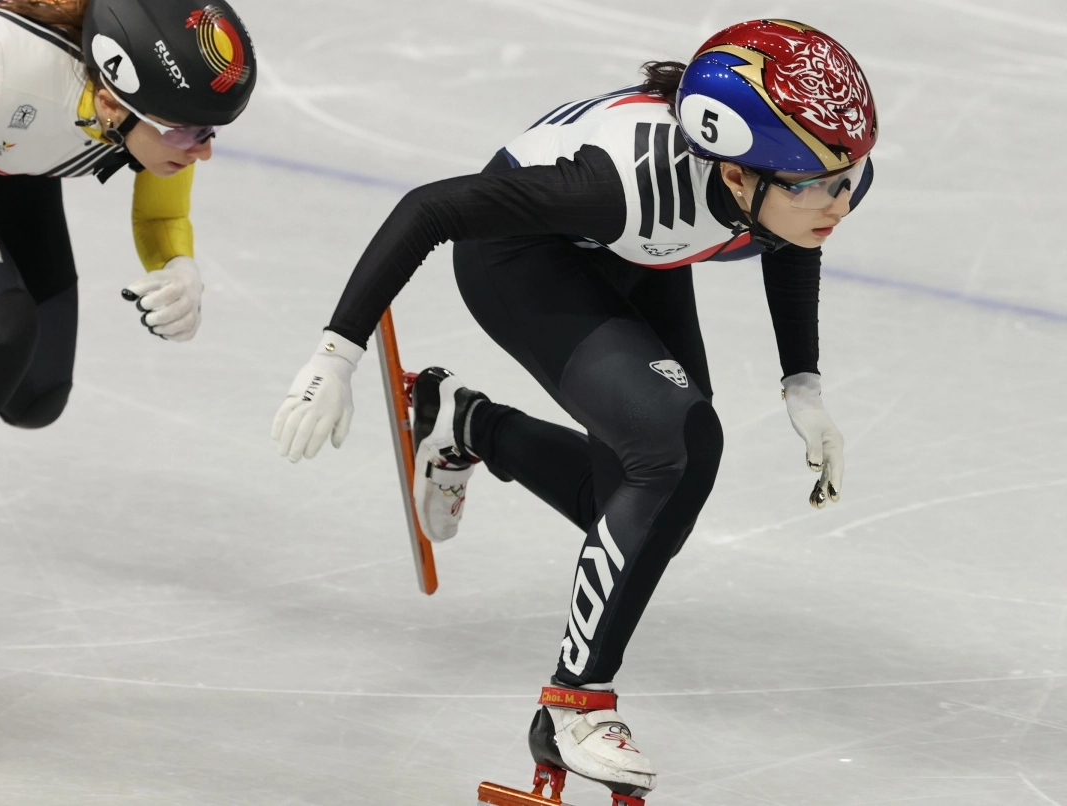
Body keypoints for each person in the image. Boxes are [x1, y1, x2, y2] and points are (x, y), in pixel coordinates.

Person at [275, 19, 877, 799]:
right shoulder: (621, 187)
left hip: (629, 253)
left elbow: (793, 238)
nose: (840, 202)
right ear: (733, 178)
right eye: (817, 184)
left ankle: (461, 421)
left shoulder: (780, 178)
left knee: (650, 500)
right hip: (521, 255)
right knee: (672, 447)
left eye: (850, 176)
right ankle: (574, 708)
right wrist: (335, 356)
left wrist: (803, 384)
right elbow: (430, 209)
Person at [0, 0, 256, 710]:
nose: (203, 148)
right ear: (111, 99)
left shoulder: (153, 94)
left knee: (33, 392)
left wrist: (180, 265)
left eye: (213, 128)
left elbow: (164, 208)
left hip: (7, 155)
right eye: (189, 130)